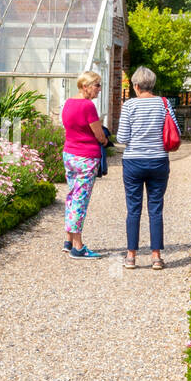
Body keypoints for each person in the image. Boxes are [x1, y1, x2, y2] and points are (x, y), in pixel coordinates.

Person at [117, 67, 180, 270]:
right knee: (155, 208)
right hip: (158, 161)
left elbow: (122, 138)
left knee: (133, 208)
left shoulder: (129, 106)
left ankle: (131, 256)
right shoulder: (164, 103)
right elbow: (175, 130)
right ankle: (156, 256)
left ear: (136, 86)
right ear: (152, 84)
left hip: (133, 162)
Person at [60, 71, 108, 258]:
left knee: (72, 195)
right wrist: (104, 141)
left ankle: (68, 240)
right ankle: (78, 247)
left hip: (69, 154)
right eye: (97, 85)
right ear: (86, 86)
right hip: (85, 157)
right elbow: (98, 134)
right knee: (80, 199)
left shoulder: (68, 103)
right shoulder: (88, 106)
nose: (99, 89)